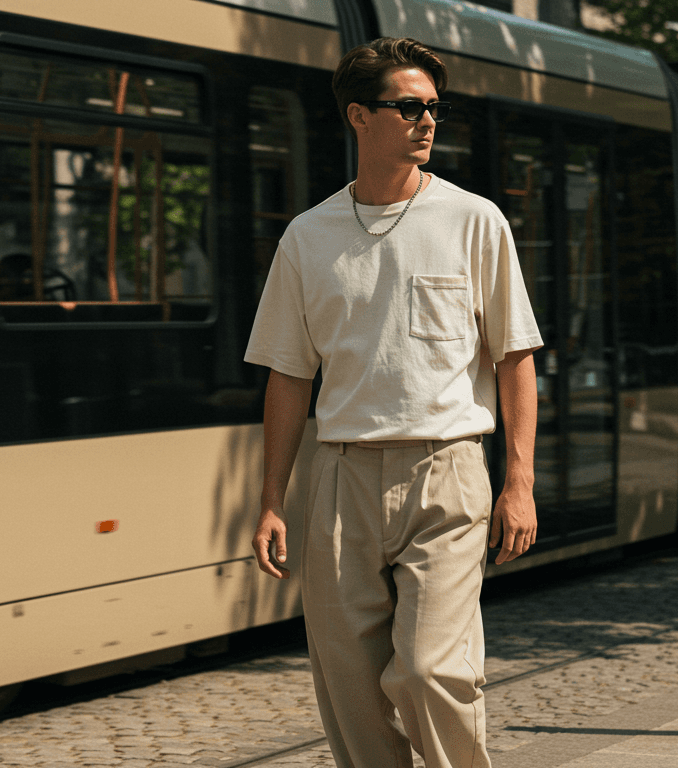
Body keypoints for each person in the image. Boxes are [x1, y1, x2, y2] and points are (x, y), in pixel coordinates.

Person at [244, 37, 542, 768]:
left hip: (447, 473)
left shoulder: (474, 220)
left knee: (431, 671)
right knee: (349, 686)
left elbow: (514, 356)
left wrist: (519, 482)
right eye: (408, 107)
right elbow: (289, 376)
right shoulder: (308, 236)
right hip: (340, 478)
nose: (427, 121)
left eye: (433, 108)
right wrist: (272, 500)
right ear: (358, 116)